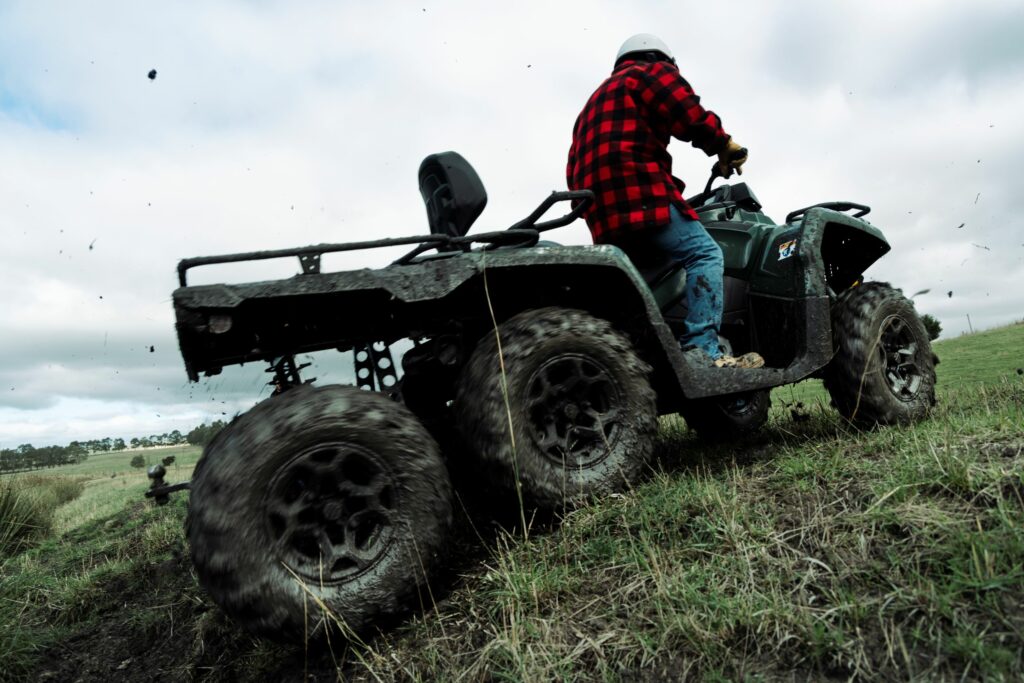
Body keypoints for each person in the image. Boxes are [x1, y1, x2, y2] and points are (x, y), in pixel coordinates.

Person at [567, 33, 765, 369]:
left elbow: (580, 161)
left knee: (641, 285)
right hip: (637, 191)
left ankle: (637, 360)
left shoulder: (593, 102)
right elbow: (686, 111)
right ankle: (704, 352)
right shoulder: (647, 71)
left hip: (600, 213)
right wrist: (723, 144)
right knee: (704, 253)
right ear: (664, 59)